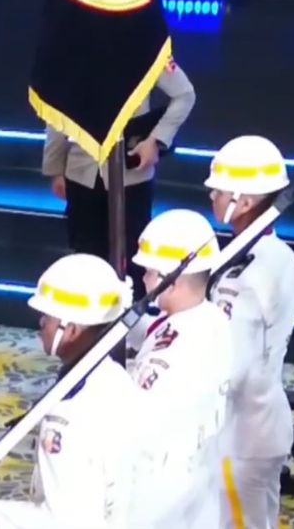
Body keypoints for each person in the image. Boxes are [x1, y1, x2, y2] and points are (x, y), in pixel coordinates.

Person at [0, 254, 138, 527]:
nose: (41, 322)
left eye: (49, 316)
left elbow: (64, 522)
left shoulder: (69, 420)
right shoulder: (115, 378)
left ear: (71, 330)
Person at [204, 135, 294, 529]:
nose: (211, 194)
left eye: (219, 189)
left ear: (244, 202)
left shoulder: (252, 273)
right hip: (252, 424)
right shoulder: (265, 255)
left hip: (241, 432)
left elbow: (233, 367)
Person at [119, 209, 233, 528]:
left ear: (173, 281)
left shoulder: (179, 348)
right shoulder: (208, 318)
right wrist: (123, 314)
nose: (144, 279)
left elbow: (136, 413)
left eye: (149, 272)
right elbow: (154, 332)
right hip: (196, 471)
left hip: (162, 483)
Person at [43, 59, 196, 263]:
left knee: (133, 258)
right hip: (82, 173)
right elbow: (56, 111)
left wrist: (155, 140)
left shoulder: (149, 50)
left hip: (131, 177)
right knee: (86, 260)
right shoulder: (72, 51)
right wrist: (55, 168)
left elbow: (185, 95)